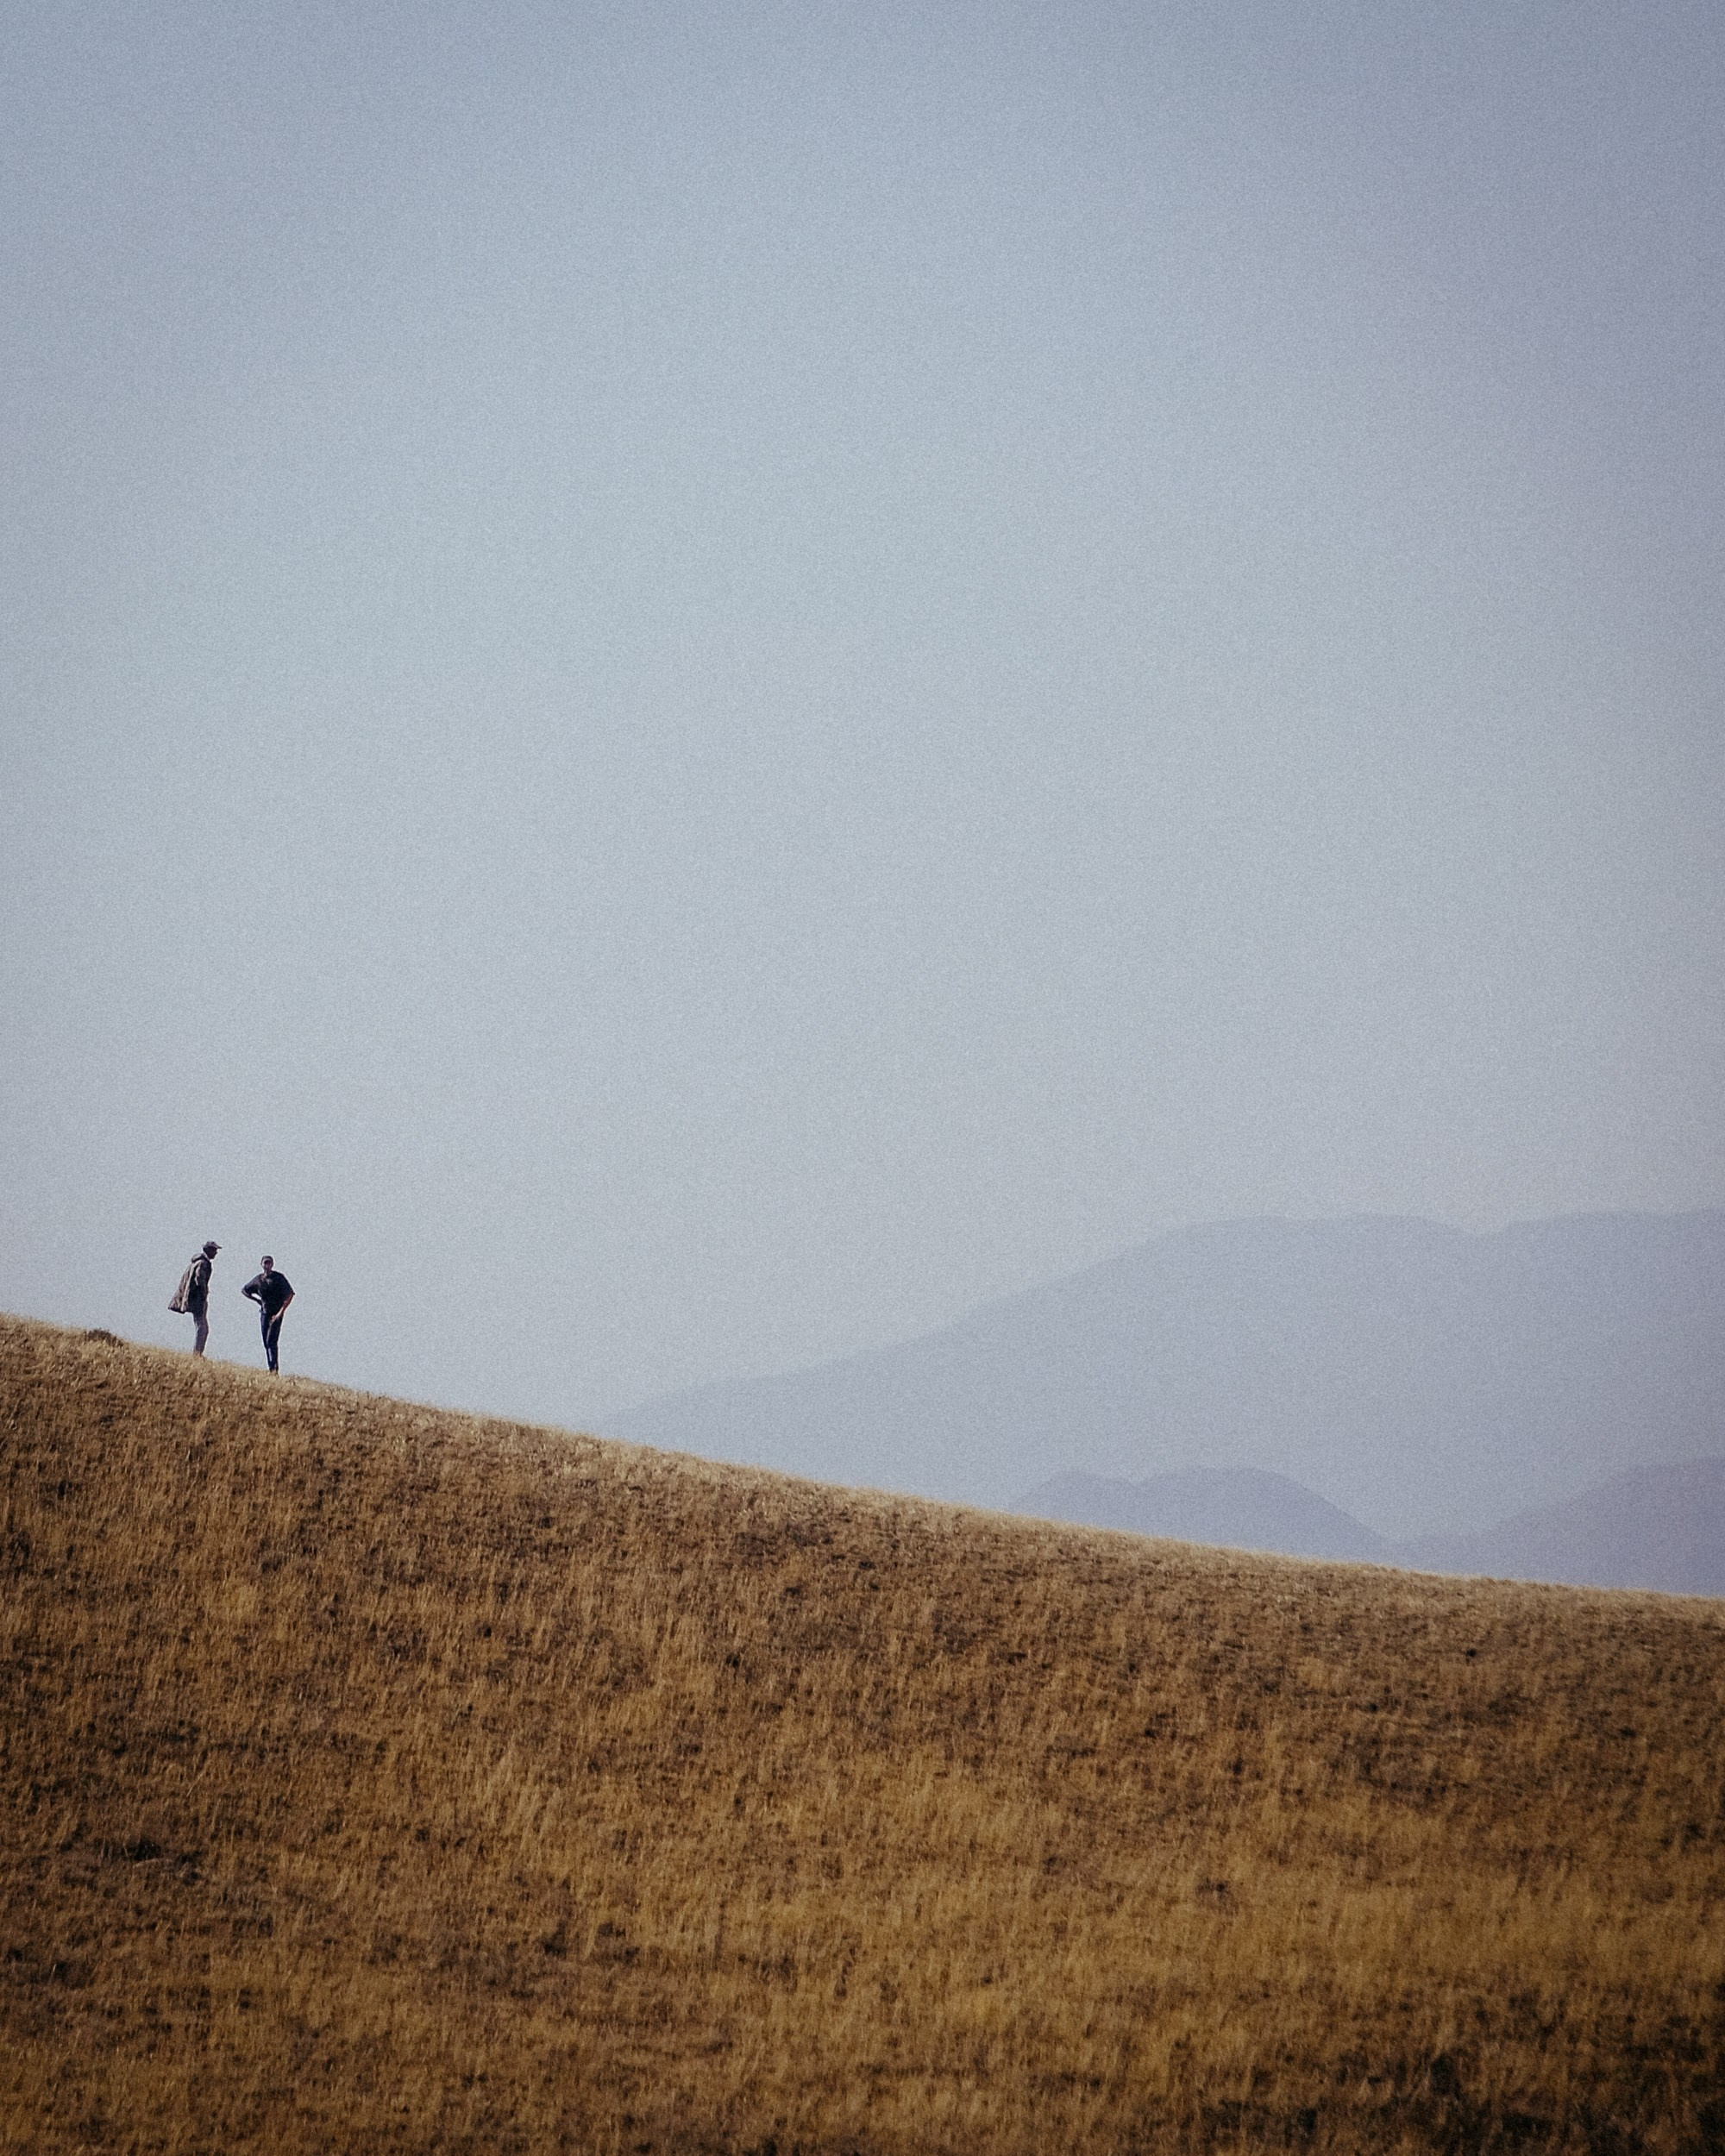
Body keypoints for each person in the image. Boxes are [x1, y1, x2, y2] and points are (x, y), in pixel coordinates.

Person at [242, 1256, 295, 1374]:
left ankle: (274, 1369)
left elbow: (290, 1294)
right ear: (261, 1264)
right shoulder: (258, 1280)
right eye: (265, 1263)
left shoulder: (278, 1278)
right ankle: (270, 1368)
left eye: (269, 1263)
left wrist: (280, 1313)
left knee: (272, 1341)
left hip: (276, 1313)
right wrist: (257, 1300)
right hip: (265, 1313)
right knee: (266, 1342)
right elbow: (245, 1290)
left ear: (272, 1264)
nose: (267, 1265)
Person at [172, 1240, 220, 1356]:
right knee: (202, 1327)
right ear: (208, 1250)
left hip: (195, 1298)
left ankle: (197, 1352)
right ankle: (197, 1353)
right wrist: (204, 1293)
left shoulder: (197, 1262)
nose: (216, 1253)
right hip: (197, 1299)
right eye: (214, 1250)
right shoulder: (203, 1263)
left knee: (201, 1325)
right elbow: (199, 1279)